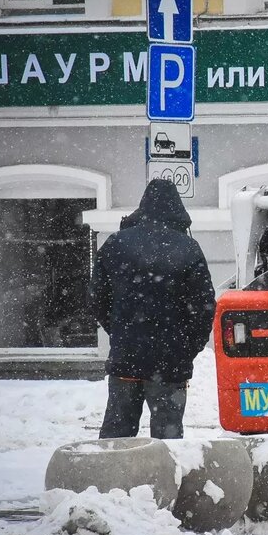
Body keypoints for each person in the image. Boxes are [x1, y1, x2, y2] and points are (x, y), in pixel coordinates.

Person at [90, 179, 216, 439]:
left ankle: (111, 477)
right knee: (167, 438)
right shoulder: (188, 248)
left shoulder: (116, 244)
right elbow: (204, 308)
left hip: (126, 358)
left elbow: (96, 299)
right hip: (170, 363)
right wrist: (188, 348)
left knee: (118, 432)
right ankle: (165, 478)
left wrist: (119, 331)